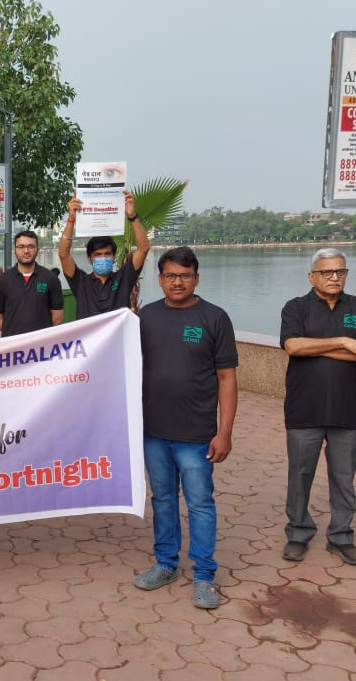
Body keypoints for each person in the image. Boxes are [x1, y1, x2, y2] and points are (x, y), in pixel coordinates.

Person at [133, 247, 237, 610]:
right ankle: (165, 564)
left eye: (185, 275)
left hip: (196, 435)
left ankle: (205, 575)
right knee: (162, 500)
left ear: (196, 278)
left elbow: (227, 378)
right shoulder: (146, 317)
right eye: (170, 276)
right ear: (160, 279)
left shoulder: (214, 318)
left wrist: (224, 432)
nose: (177, 282)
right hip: (154, 432)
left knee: (200, 503)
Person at [280, 248, 356, 566]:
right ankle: (298, 533)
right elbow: (292, 345)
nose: (334, 277)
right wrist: (344, 342)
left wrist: (318, 347)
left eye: (340, 271)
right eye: (326, 272)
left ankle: (340, 537)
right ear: (312, 276)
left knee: (343, 478)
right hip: (304, 410)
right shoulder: (296, 307)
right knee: (300, 475)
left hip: (348, 410)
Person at [59, 190, 150, 320]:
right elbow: (64, 255)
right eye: (98, 254)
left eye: (107, 254)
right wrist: (71, 218)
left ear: (113, 257)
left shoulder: (123, 278)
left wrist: (132, 216)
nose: (103, 258)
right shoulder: (81, 282)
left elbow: (143, 248)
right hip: (89, 339)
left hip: (117, 340)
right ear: (89, 259)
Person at [0, 230, 64, 336]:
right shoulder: (2, 281)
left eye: (31, 246)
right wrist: (15, 335)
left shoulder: (51, 279)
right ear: (15, 250)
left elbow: (57, 318)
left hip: (42, 345)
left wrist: (39, 337)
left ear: (37, 250)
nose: (26, 251)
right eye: (21, 246)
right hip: (14, 345)